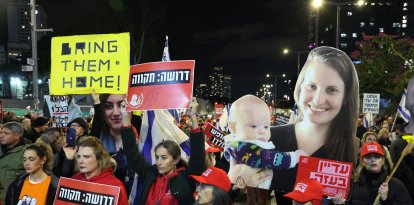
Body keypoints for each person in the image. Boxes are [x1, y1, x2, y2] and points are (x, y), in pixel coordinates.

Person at [227, 46, 360, 204]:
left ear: (346, 97)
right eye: (312, 86)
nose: (317, 100)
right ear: (300, 87)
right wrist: (239, 180)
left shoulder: (352, 145)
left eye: (331, 90)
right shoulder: (268, 138)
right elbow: (230, 189)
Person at [121, 98, 205, 205]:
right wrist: (125, 120)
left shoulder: (185, 178)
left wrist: (193, 118)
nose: (158, 162)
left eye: (164, 158)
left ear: (176, 159)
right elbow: (131, 153)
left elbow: (198, 158)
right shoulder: (150, 174)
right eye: (157, 157)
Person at [224, 95, 306, 205]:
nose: (262, 131)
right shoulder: (245, 147)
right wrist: (294, 157)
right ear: (234, 127)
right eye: (254, 126)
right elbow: (269, 158)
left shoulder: (235, 144)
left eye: (266, 126)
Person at [90, 92, 139, 194]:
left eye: (123, 106)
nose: (116, 113)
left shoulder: (145, 138)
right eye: (108, 106)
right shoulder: (96, 140)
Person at [345, 142, 412, 205]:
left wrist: (386, 201)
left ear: (382, 161)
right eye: (368, 157)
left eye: (377, 156)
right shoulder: (353, 184)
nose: (373, 160)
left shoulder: (396, 185)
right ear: (362, 161)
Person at [72, 136, 128, 204]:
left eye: (86, 157)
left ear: (99, 159)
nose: (80, 161)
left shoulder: (115, 186)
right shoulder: (74, 179)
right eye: (78, 156)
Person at [0, 122, 31, 204]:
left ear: (17, 136)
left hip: (12, 199)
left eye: (6, 133)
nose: (1, 135)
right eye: (1, 132)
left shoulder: (28, 151)